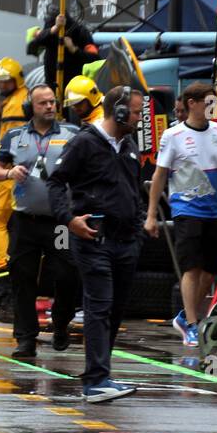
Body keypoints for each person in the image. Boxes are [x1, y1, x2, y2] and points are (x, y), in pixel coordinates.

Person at [47, 86, 146, 403]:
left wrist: (139, 225)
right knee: (99, 306)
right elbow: (55, 182)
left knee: (115, 310)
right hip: (94, 239)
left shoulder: (129, 145)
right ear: (117, 111)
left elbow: (134, 188)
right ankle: (95, 381)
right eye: (134, 111)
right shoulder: (84, 143)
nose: (139, 117)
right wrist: (69, 219)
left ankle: (101, 374)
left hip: (126, 240)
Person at [144, 82, 217, 347]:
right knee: (191, 267)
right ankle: (192, 323)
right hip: (186, 209)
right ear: (193, 103)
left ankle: (184, 315)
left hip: (215, 210)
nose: (213, 108)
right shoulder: (173, 135)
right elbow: (159, 175)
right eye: (209, 103)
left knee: (210, 271)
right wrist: (151, 214)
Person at [0, 85, 81, 358]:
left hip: (60, 221)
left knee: (66, 274)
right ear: (32, 107)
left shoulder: (71, 134)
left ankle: (61, 322)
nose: (50, 107)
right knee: (22, 278)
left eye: (52, 102)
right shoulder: (14, 136)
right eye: (43, 103)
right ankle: (26, 338)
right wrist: (8, 172)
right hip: (25, 220)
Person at [0, 57, 28, 273]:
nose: (1, 86)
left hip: (10, 171)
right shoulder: (22, 98)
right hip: (20, 171)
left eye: (6, 81)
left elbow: (8, 141)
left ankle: (4, 270)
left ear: (16, 80)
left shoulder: (14, 106)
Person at [27, 12, 99, 96]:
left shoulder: (80, 32)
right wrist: (53, 29)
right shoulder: (49, 33)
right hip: (52, 86)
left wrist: (74, 50)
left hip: (76, 88)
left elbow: (95, 59)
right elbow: (31, 49)